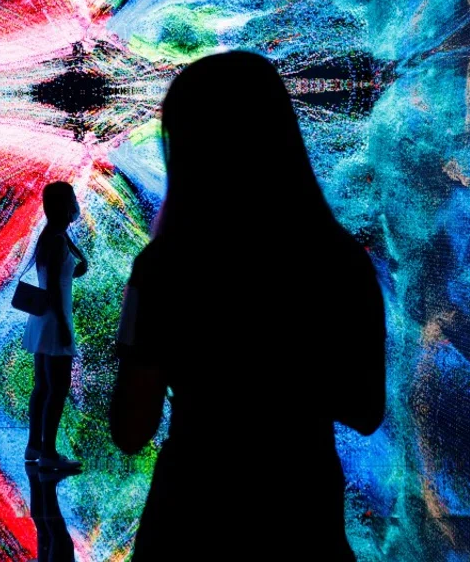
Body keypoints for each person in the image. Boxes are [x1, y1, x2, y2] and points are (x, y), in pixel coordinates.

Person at [110, 51, 386, 560]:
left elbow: (130, 429)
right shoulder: (341, 261)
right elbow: (367, 411)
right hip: (301, 523)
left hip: (190, 522)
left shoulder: (163, 268)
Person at [23, 182, 88, 471]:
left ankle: (34, 445)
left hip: (42, 319)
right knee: (58, 387)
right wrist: (63, 325)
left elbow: (60, 274)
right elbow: (53, 286)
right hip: (55, 319)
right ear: (65, 205)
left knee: (42, 386)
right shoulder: (58, 239)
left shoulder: (51, 235)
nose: (76, 204)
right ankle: (48, 451)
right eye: (72, 199)